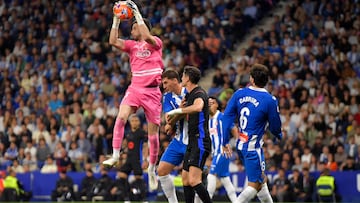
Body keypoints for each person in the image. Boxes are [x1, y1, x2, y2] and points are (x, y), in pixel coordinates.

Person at [103, 0, 164, 191]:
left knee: (152, 135)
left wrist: (137, 13)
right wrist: (116, 20)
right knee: (121, 117)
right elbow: (112, 41)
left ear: (142, 27)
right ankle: (114, 154)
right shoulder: (131, 46)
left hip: (152, 92)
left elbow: (146, 35)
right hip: (135, 89)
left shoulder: (156, 43)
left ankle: (152, 169)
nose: (131, 31)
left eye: (134, 27)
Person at [221, 63, 283, 203]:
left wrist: (224, 141)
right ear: (266, 80)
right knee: (255, 185)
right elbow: (275, 127)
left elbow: (226, 118)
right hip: (253, 148)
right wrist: (279, 135)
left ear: (251, 79)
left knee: (261, 181)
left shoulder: (239, 93)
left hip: (241, 145)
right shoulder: (270, 100)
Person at [166, 66, 212, 203]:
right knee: (185, 180)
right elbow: (180, 114)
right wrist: (180, 109)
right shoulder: (188, 95)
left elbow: (198, 107)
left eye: (184, 75)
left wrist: (178, 111)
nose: (182, 77)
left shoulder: (199, 93)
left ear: (188, 78)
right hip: (192, 142)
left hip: (200, 140)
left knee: (193, 180)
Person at [158, 69, 188, 203]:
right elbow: (168, 118)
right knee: (162, 170)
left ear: (175, 80)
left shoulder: (190, 92)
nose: (164, 87)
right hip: (178, 140)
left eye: (165, 83)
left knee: (191, 180)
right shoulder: (167, 97)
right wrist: (179, 113)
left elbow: (192, 114)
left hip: (193, 141)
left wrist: (178, 114)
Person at [205, 96, 237, 202]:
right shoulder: (208, 121)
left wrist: (237, 144)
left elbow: (233, 129)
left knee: (211, 175)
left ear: (217, 105)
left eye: (212, 103)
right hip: (216, 153)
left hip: (222, 151)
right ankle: (236, 201)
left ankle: (207, 200)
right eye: (208, 104)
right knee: (225, 179)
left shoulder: (222, 117)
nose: (210, 106)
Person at [112, 114, 148, 202]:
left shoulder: (142, 133)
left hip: (137, 159)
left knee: (138, 178)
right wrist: (122, 153)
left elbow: (145, 146)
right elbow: (126, 145)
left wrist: (145, 159)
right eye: (133, 121)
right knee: (121, 176)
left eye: (136, 121)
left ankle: (143, 199)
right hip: (129, 159)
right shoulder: (128, 133)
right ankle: (127, 197)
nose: (134, 122)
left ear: (139, 122)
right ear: (130, 122)